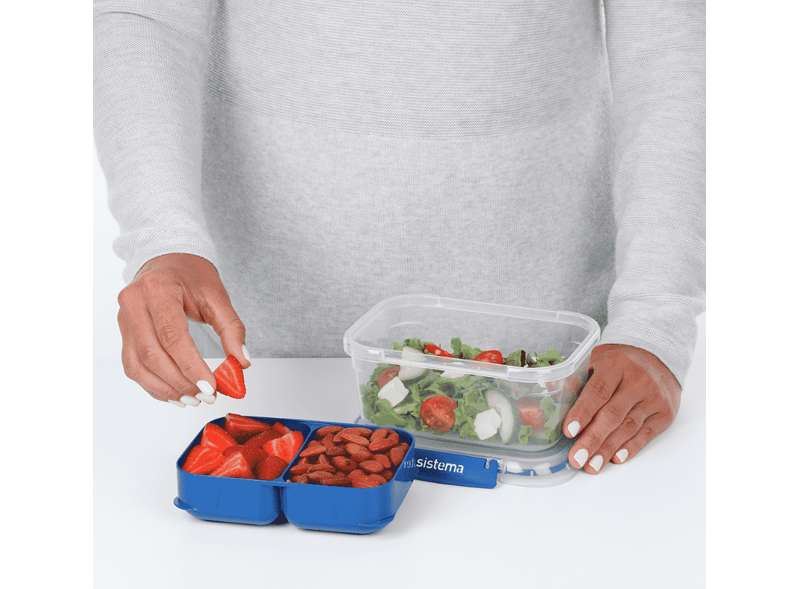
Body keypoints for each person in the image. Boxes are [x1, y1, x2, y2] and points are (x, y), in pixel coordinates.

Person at [94, 2, 704, 475]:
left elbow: (666, 46)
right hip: (258, 368)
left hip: (550, 383)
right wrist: (163, 240)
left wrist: (654, 322)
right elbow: (145, 18)